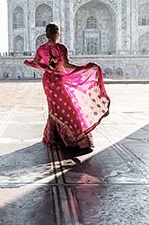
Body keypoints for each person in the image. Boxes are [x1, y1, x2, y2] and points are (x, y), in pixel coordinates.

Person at [24, 23, 110, 151]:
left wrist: (47, 68)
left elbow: (36, 63)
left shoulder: (41, 48)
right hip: (58, 79)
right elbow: (66, 65)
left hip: (48, 80)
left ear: (47, 34)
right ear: (57, 33)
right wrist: (83, 68)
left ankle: (56, 136)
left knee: (55, 108)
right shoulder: (60, 47)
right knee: (68, 106)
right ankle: (74, 137)